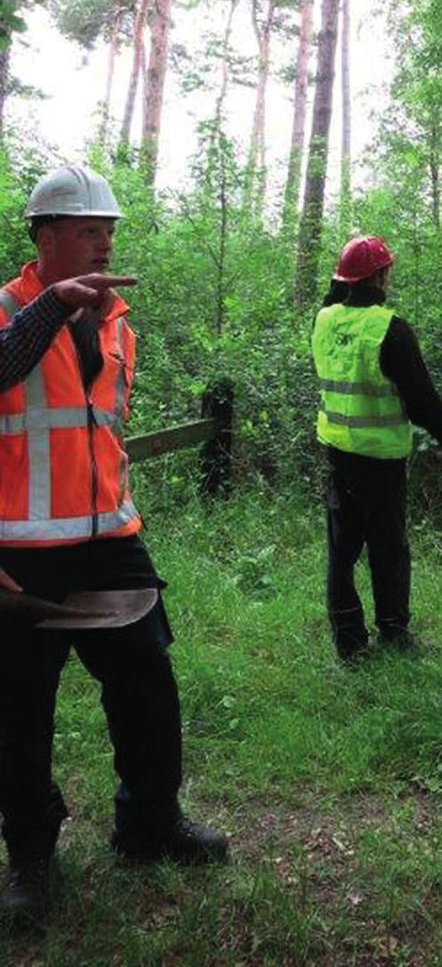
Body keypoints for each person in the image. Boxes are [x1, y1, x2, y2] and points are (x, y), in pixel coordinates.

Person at [0, 165, 228, 930]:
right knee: (19, 712)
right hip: (21, 550)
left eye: (109, 231)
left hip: (113, 540)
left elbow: (100, 434)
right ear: (47, 236)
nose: (103, 242)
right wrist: (50, 312)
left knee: (148, 685)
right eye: (89, 230)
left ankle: (149, 821)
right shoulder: (6, 309)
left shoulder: (119, 320)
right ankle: (31, 856)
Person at [312, 235, 442, 662]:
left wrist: (342, 280)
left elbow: (332, 297)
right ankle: (393, 632)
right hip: (381, 460)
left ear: (344, 279)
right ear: (380, 276)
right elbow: (420, 395)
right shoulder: (389, 328)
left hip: (338, 453)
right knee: (388, 549)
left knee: (341, 552)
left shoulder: (324, 319)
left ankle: (349, 644)